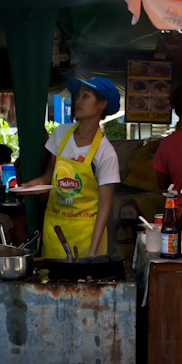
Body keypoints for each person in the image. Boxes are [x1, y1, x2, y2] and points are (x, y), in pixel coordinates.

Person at [21, 77, 121, 259]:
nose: (78, 101)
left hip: (87, 239)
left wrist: (92, 254)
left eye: (86, 96)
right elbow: (52, 170)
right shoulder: (60, 134)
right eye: (79, 95)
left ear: (101, 105)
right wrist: (40, 181)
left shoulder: (106, 153)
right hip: (55, 231)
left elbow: (105, 207)